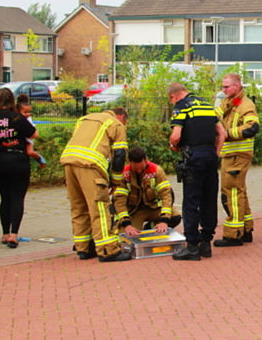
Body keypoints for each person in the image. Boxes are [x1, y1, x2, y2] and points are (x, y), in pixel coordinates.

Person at [60, 107, 130, 262]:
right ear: (122, 117)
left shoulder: (85, 119)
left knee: (79, 207)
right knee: (99, 209)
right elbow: (119, 155)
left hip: (69, 163)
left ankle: (84, 249)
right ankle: (108, 251)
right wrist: (115, 181)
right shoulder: (116, 124)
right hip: (90, 165)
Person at [168, 82, 226, 261]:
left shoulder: (181, 107)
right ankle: (206, 244)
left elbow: (176, 136)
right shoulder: (207, 106)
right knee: (209, 199)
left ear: (174, 96)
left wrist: (172, 144)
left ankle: (192, 246)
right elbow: (222, 133)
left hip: (194, 157)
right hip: (210, 156)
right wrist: (214, 154)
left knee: (191, 201)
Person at [0, 88, 38, 248]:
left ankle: (4, 233)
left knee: (5, 197)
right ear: (12, 100)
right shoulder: (16, 116)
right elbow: (34, 134)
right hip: (17, 160)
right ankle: (14, 235)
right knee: (17, 197)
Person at [214, 73, 259, 248]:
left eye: (226, 87)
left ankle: (234, 234)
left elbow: (252, 127)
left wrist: (227, 135)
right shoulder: (228, 102)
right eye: (223, 87)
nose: (223, 90)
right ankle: (246, 229)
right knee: (239, 191)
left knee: (231, 193)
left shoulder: (245, 105)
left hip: (237, 155)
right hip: (230, 155)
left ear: (237, 86)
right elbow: (214, 117)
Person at [113, 147, 181, 236]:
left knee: (175, 217)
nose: (139, 171)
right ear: (129, 161)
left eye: (141, 168)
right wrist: (126, 224)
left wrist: (164, 220)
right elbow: (119, 201)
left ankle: (151, 227)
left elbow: (166, 195)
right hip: (135, 211)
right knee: (127, 235)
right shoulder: (124, 175)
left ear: (146, 160)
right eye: (135, 169)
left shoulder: (156, 171)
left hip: (153, 208)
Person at [15, 94, 47, 168]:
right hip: (22, 137)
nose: (28, 114)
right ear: (18, 111)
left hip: (28, 138)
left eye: (29, 112)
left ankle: (40, 159)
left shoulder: (28, 119)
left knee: (30, 152)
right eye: (25, 112)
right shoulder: (16, 117)